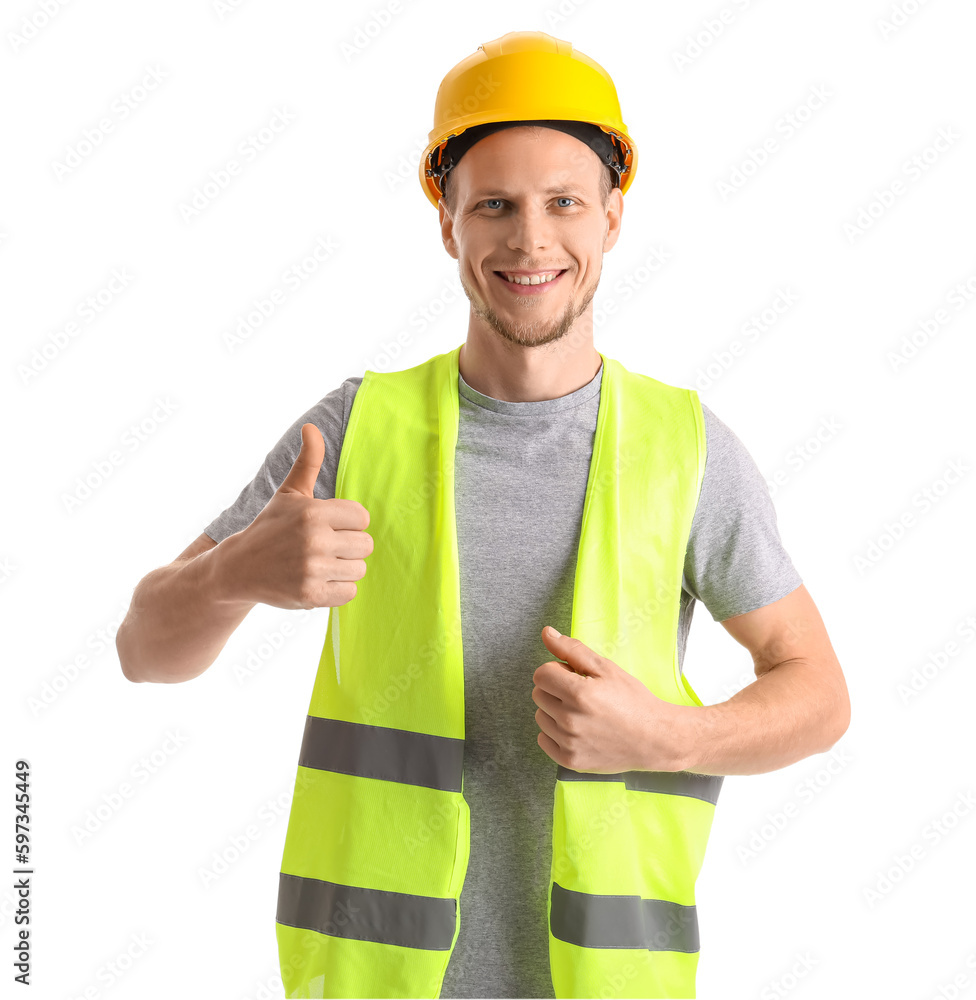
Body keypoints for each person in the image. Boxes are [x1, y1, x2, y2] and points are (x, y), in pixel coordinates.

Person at [116, 30, 850, 1000]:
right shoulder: (353, 429)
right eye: (494, 204)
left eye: (564, 203)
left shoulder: (685, 448)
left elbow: (819, 695)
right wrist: (235, 573)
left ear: (613, 218)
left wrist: (665, 736)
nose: (531, 239)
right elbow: (143, 649)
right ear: (447, 223)